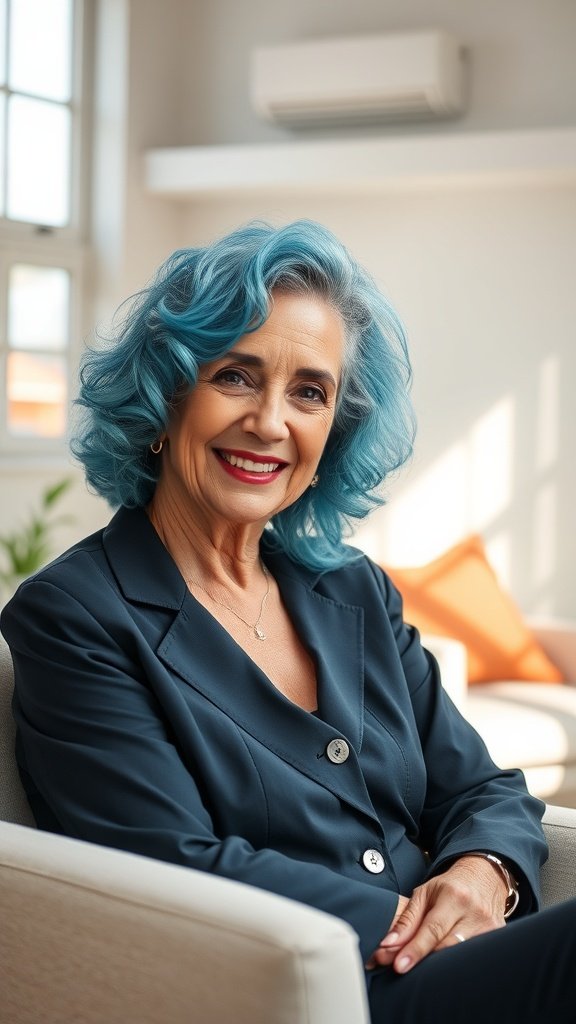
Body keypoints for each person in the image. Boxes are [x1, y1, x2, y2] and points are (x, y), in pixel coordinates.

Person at [1, 220, 575, 1022]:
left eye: (309, 391)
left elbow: (481, 787)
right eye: (235, 376)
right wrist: (415, 927)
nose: (271, 422)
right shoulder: (75, 615)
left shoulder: (354, 590)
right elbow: (168, 862)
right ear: (163, 401)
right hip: (323, 995)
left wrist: (483, 872)